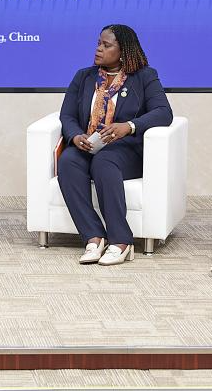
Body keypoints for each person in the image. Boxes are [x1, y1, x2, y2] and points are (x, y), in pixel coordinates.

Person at [57, 24, 174, 266]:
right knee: (67, 161)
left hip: (126, 150)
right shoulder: (84, 76)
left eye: (106, 45)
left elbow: (164, 113)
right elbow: (67, 115)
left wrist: (128, 126)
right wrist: (76, 135)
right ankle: (93, 237)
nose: (98, 49)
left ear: (123, 52)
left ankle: (121, 241)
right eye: (98, 43)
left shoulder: (144, 76)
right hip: (88, 144)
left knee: (104, 161)